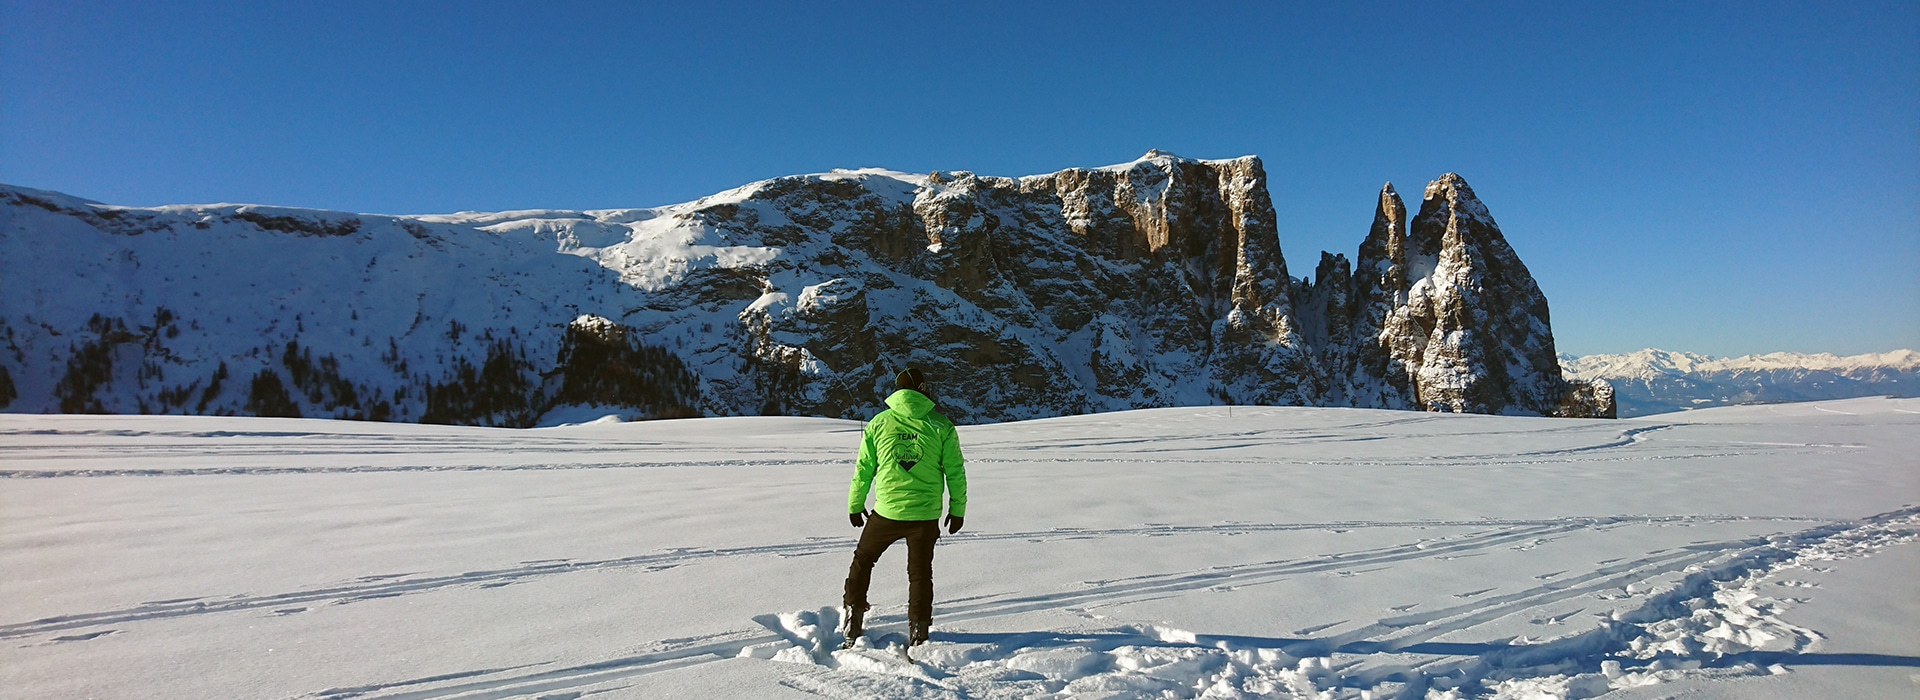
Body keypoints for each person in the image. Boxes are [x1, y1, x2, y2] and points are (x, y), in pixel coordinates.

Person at [841, 367, 967, 648]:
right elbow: (955, 472)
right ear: (923, 389)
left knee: (863, 560)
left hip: (887, 512)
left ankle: (853, 618)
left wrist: (855, 504)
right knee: (920, 573)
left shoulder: (878, 423)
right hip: (925, 515)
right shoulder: (941, 425)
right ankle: (919, 632)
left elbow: (863, 470)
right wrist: (957, 509)